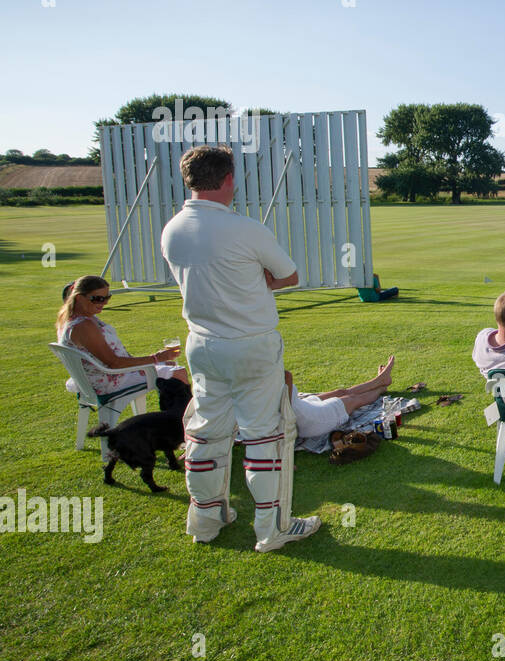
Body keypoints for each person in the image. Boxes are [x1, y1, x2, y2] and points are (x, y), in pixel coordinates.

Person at [160, 145, 319, 551]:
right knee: (265, 434)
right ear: (229, 179)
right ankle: (272, 529)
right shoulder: (246, 229)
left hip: (202, 344)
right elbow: (289, 276)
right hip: (251, 344)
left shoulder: (172, 229)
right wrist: (260, 279)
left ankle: (206, 520)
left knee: (206, 432)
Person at [56, 275, 188, 397]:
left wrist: (157, 358)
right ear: (79, 298)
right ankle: (182, 416)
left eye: (107, 297)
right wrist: (156, 358)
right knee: (179, 372)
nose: (104, 302)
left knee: (169, 363)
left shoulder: (74, 318)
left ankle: (173, 412)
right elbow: (114, 363)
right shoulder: (84, 326)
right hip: (110, 380)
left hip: (97, 376)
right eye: (98, 298)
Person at [286, 356, 396, 439]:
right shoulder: (280, 376)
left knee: (340, 392)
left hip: (302, 406)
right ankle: (381, 387)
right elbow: (287, 377)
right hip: (310, 421)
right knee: (353, 399)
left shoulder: (273, 375)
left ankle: (380, 380)